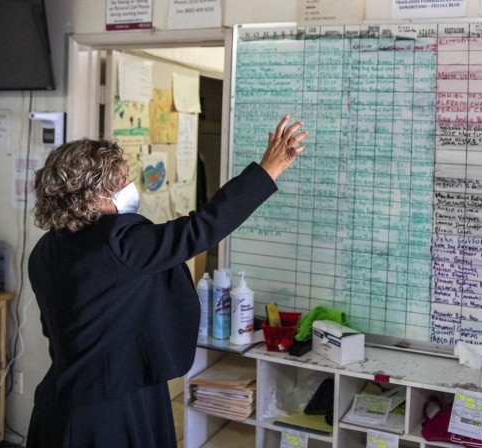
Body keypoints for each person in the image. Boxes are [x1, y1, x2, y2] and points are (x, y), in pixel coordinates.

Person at [26, 115, 306, 447]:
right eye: (123, 179)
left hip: (62, 400)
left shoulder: (46, 249)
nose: (131, 186)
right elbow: (201, 227)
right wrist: (267, 170)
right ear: (96, 192)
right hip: (114, 407)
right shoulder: (118, 242)